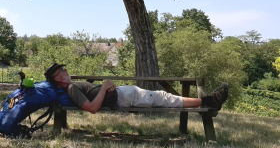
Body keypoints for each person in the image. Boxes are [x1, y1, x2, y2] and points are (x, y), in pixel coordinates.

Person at [44, 63, 228, 114]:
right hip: (124, 97)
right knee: (165, 98)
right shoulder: (71, 89)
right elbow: (92, 109)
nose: (66, 70)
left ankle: (208, 101)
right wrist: (105, 86)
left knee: (164, 97)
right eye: (63, 70)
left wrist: (106, 87)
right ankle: (209, 102)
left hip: (123, 94)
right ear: (58, 78)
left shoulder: (70, 87)